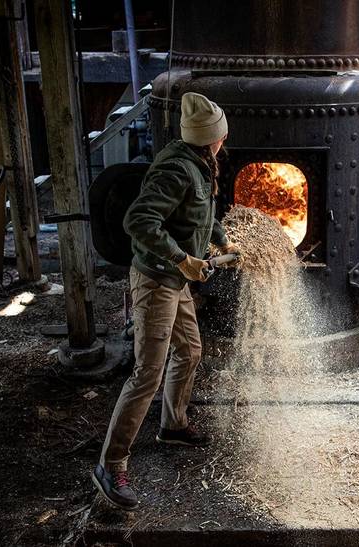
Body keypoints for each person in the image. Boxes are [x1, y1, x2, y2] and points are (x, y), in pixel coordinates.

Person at [92, 92, 239, 510]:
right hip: (158, 281)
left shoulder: (199, 162)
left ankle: (172, 425)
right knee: (147, 375)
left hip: (177, 280)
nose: (224, 140)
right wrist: (180, 259)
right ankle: (111, 464)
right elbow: (137, 220)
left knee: (190, 351)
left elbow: (200, 214)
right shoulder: (176, 169)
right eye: (222, 134)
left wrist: (224, 242)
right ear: (214, 137)